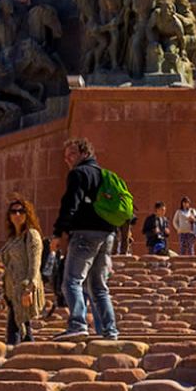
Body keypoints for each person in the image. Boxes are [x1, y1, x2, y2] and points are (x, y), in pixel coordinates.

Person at [52, 138, 118, 340]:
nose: (68, 160)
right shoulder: (105, 175)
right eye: (65, 157)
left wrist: (58, 232)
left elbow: (70, 203)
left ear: (84, 153)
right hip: (107, 234)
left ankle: (78, 324)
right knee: (98, 286)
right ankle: (110, 330)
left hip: (84, 233)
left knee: (71, 281)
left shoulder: (79, 173)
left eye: (71, 154)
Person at [0, 198, 45, 345]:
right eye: (13, 212)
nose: (17, 214)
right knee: (21, 328)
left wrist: (29, 288)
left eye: (21, 211)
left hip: (24, 289)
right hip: (12, 291)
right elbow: (9, 267)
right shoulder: (13, 239)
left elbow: (35, 263)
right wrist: (4, 292)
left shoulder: (31, 235)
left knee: (18, 328)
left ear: (28, 214)